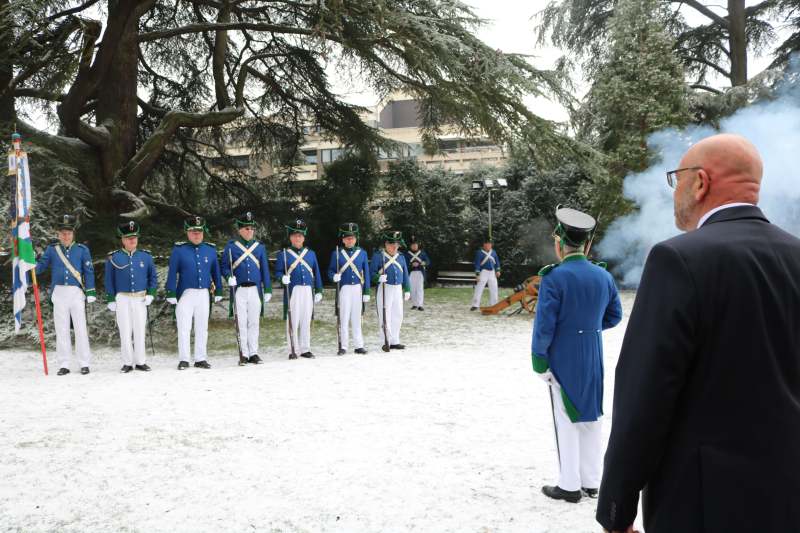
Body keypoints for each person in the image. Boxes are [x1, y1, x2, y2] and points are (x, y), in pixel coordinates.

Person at [597, 134, 800, 533]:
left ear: (701, 182)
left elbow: (645, 393)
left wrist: (617, 509)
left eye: (678, 178)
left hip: (705, 503)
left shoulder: (679, 258)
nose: (675, 192)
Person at [531, 206, 622, 504]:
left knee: (565, 416)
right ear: (587, 243)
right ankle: (592, 481)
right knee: (591, 414)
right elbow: (614, 316)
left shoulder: (554, 278)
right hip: (593, 350)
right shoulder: (603, 276)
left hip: (563, 353)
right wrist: (590, 327)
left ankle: (569, 485)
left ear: (559, 243)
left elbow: (544, 326)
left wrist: (539, 359)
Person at [35, 214, 96, 375]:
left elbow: (89, 272)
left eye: (68, 233)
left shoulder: (82, 250)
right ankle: (64, 364)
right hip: (59, 293)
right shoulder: (52, 249)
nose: (66, 236)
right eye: (63, 233)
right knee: (61, 329)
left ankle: (84, 362)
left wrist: (90, 291)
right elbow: (39, 268)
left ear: (73, 234)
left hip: (76, 293)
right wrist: (29, 262)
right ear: (58, 234)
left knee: (80, 328)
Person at [165, 216, 223, 370]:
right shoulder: (179, 250)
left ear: (203, 232)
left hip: (204, 293)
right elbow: (172, 273)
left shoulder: (210, 250)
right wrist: (170, 292)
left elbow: (215, 272)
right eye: (193, 232)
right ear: (187, 233)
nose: (197, 235)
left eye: (199, 232)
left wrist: (219, 289)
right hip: (185, 294)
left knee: (202, 327)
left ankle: (200, 358)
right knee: (184, 327)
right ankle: (184, 359)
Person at [104, 220, 158, 373]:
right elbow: (109, 280)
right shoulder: (113, 257)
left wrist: (151, 294)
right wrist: (110, 298)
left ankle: (140, 361)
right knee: (125, 331)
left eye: (134, 237)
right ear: (122, 239)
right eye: (129, 238)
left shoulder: (146, 257)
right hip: (123, 298)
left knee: (140, 329)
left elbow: (153, 278)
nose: (132, 240)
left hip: (140, 297)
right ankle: (127, 362)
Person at [221, 211, 272, 366]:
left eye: (251, 228)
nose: (249, 231)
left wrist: (268, 289)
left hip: (255, 290)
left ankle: (254, 353)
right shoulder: (231, 247)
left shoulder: (260, 247)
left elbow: (264, 269)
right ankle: (243, 352)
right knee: (241, 322)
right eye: (246, 228)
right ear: (240, 230)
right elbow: (224, 266)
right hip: (240, 290)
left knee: (254, 322)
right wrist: (229, 276)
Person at [274, 219, 322, 359]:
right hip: (293, 290)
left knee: (306, 319)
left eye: (300, 235)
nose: (297, 238)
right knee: (292, 319)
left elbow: (316, 272)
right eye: (295, 235)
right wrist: (282, 278)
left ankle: (305, 348)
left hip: (308, 289)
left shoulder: (311, 253)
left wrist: (319, 290)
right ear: (290, 237)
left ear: (304, 237)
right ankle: (292, 349)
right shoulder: (283, 254)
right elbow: (277, 272)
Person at [328, 222, 370, 355]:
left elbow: (366, 273)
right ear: (343, 239)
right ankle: (343, 346)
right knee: (344, 317)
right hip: (344, 288)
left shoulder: (362, 253)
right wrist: (333, 276)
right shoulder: (337, 253)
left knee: (357, 317)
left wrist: (367, 291)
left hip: (357, 288)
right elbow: (330, 270)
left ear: (356, 238)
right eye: (347, 238)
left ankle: (359, 345)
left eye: (352, 237)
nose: (349, 240)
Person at [371, 230, 411, 350]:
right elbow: (371, 273)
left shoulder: (401, 257)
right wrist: (379, 278)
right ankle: (385, 340)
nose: (394, 247)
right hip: (385, 288)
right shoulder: (378, 256)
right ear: (386, 244)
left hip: (397, 288)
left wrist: (407, 289)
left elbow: (405, 274)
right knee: (385, 315)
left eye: (396, 244)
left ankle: (395, 340)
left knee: (398, 314)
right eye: (391, 244)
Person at [470, 237, 500, 311]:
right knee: (479, 288)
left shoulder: (493, 252)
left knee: (494, 288)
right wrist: (477, 275)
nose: (489, 245)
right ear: (484, 245)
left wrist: (498, 270)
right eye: (487, 244)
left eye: (490, 244)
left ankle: (494, 304)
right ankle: (475, 304)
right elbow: (477, 264)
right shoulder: (479, 252)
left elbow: (497, 262)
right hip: (483, 272)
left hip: (492, 272)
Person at [404, 236, 430, 311]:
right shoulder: (407, 254)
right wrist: (411, 264)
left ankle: (420, 305)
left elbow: (428, 261)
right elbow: (404, 263)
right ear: (410, 246)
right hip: (411, 273)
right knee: (412, 289)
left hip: (420, 273)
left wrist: (422, 263)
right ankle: (415, 304)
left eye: (415, 245)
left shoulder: (422, 253)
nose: (414, 246)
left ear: (418, 245)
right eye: (413, 245)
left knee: (419, 289)